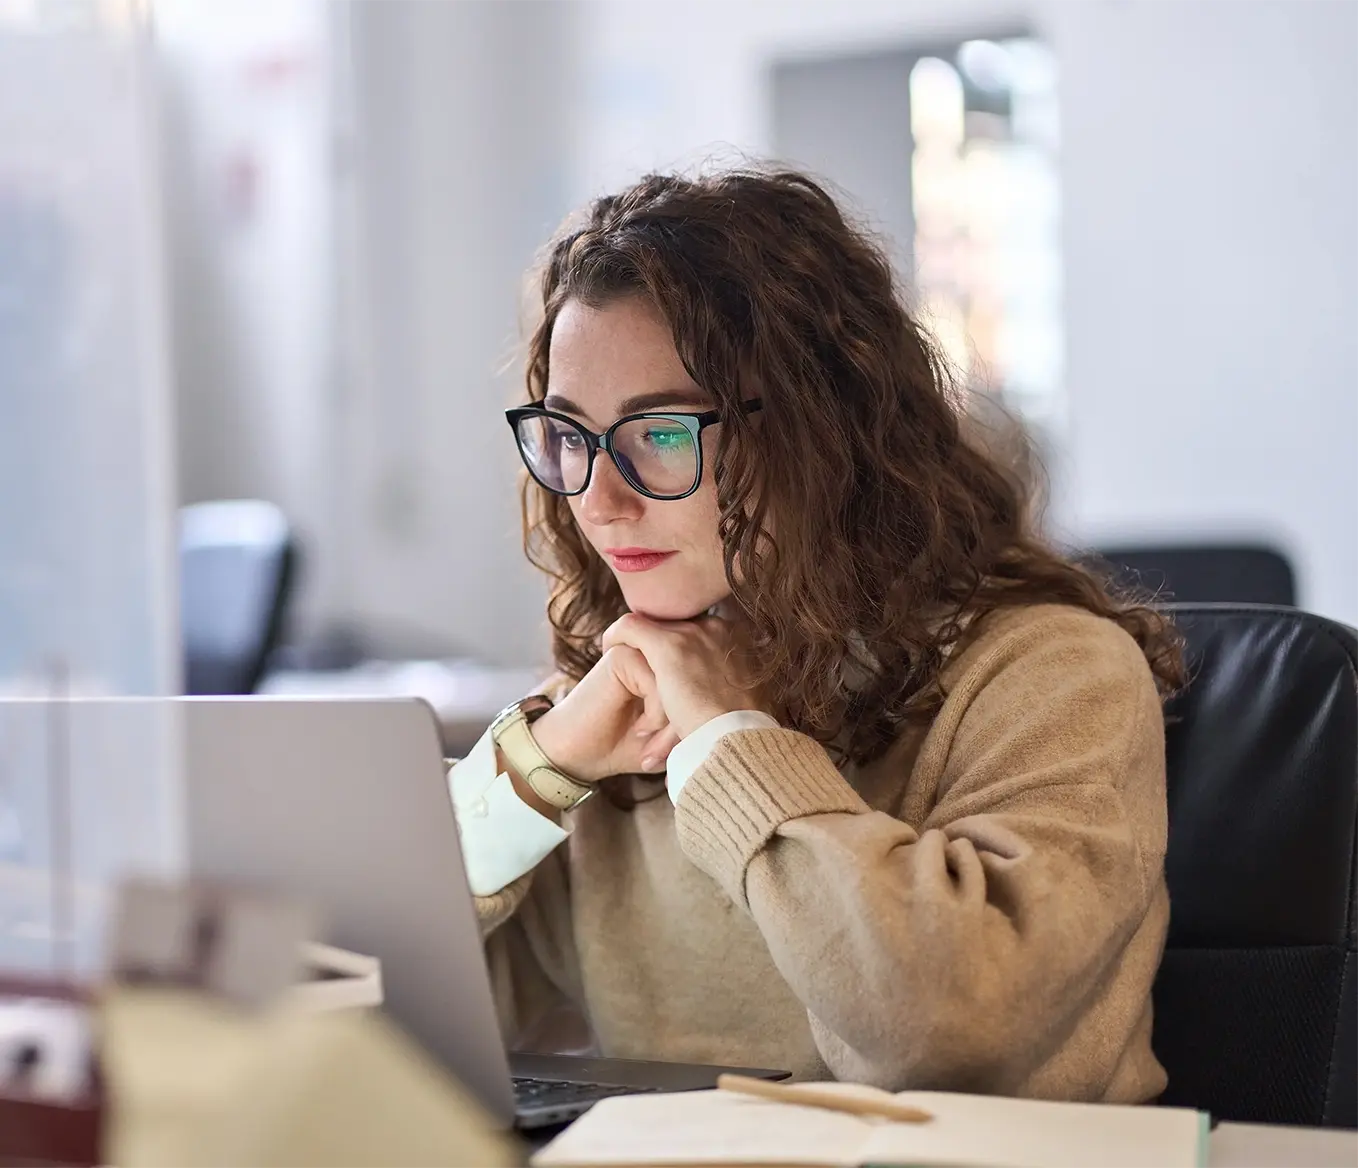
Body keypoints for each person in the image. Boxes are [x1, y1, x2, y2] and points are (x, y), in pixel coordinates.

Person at [447, 167, 1184, 1103]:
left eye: (662, 433)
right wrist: (538, 765)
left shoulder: (1053, 676)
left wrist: (728, 742)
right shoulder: (619, 703)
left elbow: (942, 1034)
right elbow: (365, 991)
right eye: (569, 435)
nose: (600, 497)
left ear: (821, 431)